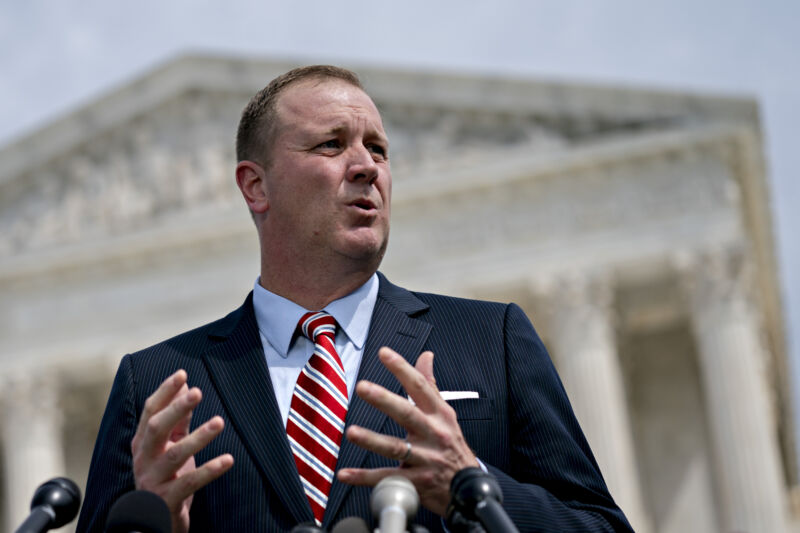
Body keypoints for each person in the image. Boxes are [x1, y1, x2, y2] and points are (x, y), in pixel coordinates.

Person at [77, 65, 632, 532]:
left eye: (379, 149)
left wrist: (472, 483)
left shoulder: (493, 340)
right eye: (332, 144)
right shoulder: (156, 384)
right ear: (256, 186)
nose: (368, 167)